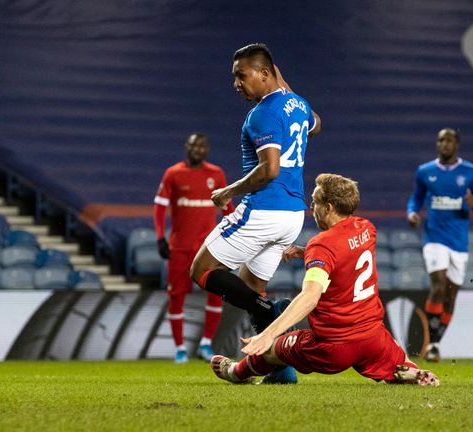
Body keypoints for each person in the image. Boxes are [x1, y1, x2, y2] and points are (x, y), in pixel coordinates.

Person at [210, 173, 440, 386]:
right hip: (374, 336)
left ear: (328, 207)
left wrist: (267, 333)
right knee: (398, 364)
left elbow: (311, 295)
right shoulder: (366, 228)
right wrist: (307, 252)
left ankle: (235, 372)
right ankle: (411, 373)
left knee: (272, 350)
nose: (311, 207)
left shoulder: (322, 245)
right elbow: (346, 257)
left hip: (333, 345)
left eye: (315, 202)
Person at [189, 43, 321, 383]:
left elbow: (270, 169)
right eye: (234, 77)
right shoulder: (299, 105)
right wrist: (286, 89)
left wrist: (227, 191)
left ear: (265, 74)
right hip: (293, 217)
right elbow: (317, 124)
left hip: (263, 209)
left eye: (242, 76)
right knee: (251, 286)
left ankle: (269, 311)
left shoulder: (261, 114)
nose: (236, 83)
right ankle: (278, 369)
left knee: (201, 269)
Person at [406, 128, 473, 362]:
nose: (444, 144)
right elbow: (416, 198)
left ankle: (435, 343)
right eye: (440, 140)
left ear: (457, 144)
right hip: (434, 238)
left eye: (448, 140)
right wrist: (412, 213)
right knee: (438, 286)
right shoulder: (425, 172)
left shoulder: (471, 172)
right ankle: (432, 344)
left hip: (459, 242)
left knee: (450, 297)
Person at [154, 133, 235, 363]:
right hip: (179, 248)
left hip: (208, 249)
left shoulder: (216, 174)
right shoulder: (173, 173)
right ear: (186, 148)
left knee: (216, 294)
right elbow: (160, 207)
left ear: (207, 149)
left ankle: (206, 344)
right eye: (193, 145)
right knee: (176, 296)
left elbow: (228, 209)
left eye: (202, 145)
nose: (197, 149)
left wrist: (234, 236)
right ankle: (180, 349)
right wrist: (160, 237)